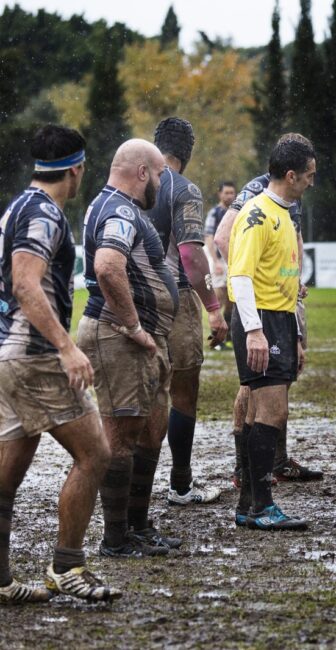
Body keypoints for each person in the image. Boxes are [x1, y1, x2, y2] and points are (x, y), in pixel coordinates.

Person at [0, 125, 121, 603]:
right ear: (76, 169)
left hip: (10, 355)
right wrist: (67, 348)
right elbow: (26, 284)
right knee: (95, 454)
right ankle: (67, 566)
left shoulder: (15, 209)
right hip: (35, 358)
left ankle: (2, 580)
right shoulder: (45, 214)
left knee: (8, 475)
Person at [77, 138, 179, 557]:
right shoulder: (119, 210)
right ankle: (115, 538)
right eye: (157, 174)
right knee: (120, 437)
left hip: (141, 342)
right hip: (119, 339)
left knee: (152, 429)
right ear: (141, 173)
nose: (159, 182)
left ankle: (137, 525)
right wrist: (134, 324)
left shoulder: (119, 207)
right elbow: (106, 266)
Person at [213, 134, 322, 487]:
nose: (312, 180)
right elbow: (231, 255)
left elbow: (290, 247)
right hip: (261, 313)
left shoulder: (287, 207)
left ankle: (262, 479)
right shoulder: (257, 206)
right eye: (308, 173)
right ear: (290, 173)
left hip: (283, 310)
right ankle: (248, 481)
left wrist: (289, 281)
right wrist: (254, 321)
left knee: (275, 401)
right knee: (259, 398)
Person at [146, 117, 227, 511]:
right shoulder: (183, 188)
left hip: (128, 302)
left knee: (139, 394)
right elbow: (192, 257)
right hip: (173, 299)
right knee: (182, 392)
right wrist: (213, 308)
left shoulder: (128, 181)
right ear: (187, 152)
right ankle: (180, 483)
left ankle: (131, 488)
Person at [204, 180, 237, 345]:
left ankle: (228, 337)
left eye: (232, 193)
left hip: (234, 261)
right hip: (219, 261)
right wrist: (215, 261)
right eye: (227, 193)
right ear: (220, 194)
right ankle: (216, 339)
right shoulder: (214, 213)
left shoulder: (238, 212)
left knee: (232, 300)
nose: (230, 196)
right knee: (219, 299)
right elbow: (209, 238)